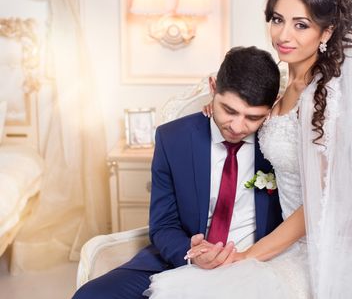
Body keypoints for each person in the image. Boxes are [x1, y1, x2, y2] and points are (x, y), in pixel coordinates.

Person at [145, 0, 352, 299]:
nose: (283, 35)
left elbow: (320, 205)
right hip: (285, 240)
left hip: (319, 247)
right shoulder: (282, 84)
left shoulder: (326, 99)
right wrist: (213, 108)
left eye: (301, 25)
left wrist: (249, 256)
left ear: (326, 32)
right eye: (278, 20)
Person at [72, 46, 283, 299]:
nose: (238, 127)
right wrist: (192, 255)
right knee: (91, 295)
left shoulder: (278, 144)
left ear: (270, 110)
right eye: (229, 110)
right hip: (182, 259)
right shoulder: (173, 138)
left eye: (253, 117)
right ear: (213, 88)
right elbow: (163, 224)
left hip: (253, 264)